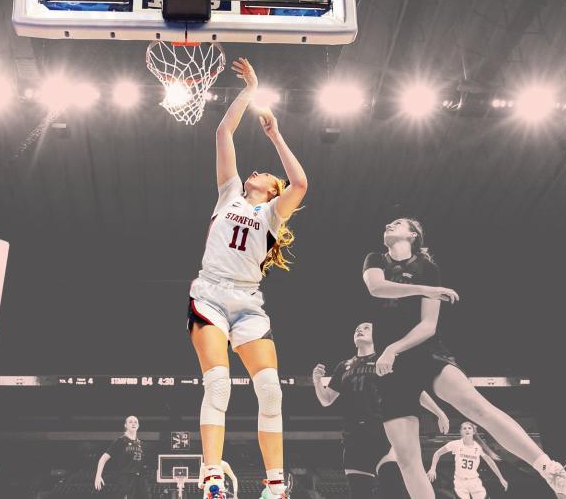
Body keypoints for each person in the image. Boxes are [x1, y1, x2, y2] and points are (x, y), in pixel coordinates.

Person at [362, 218, 566, 499]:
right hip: (391, 367)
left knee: (479, 408)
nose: (388, 224)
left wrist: (394, 347)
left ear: (413, 235)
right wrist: (428, 291)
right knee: (407, 460)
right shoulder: (375, 259)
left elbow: (428, 326)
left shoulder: (427, 268)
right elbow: (377, 288)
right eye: (388, 222)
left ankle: (555, 474)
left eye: (397, 223)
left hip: (424, 353)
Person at [187, 58, 307, 499]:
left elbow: (300, 181)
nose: (255, 172)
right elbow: (223, 134)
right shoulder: (229, 194)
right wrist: (249, 90)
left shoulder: (273, 212)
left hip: (248, 303)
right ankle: (212, 477)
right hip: (210, 297)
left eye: (265, 175)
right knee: (218, 383)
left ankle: (275, 486)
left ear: (271, 189)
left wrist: (275, 135)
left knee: (271, 392)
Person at [313, 322, 450, 499]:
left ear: (376, 335)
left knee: (393, 490)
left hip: (383, 433)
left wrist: (439, 412)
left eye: (366, 328)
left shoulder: (386, 359)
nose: (359, 330)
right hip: (353, 438)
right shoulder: (343, 366)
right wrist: (317, 382)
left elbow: (413, 391)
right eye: (356, 329)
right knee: (360, 494)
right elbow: (326, 400)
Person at [427, 421, 507, 498]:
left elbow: (490, 462)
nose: (467, 430)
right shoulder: (455, 444)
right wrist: (432, 469)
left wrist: (501, 478)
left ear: (473, 432)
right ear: (461, 432)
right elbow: (437, 453)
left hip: (474, 481)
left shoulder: (478, 447)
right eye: (464, 428)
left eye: (469, 428)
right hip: (460, 482)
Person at [94, 416, 148, 499]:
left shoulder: (141, 444)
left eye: (135, 422)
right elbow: (103, 458)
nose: (133, 423)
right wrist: (98, 475)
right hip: (125, 480)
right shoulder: (120, 441)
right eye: (130, 422)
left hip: (140, 480)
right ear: (125, 425)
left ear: (138, 426)